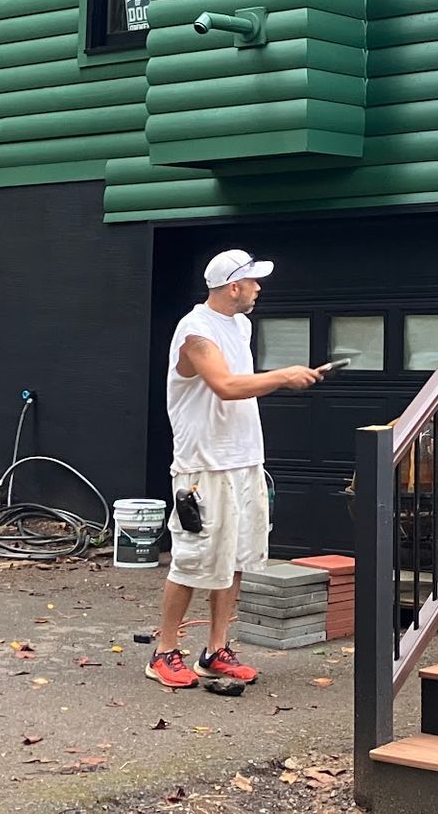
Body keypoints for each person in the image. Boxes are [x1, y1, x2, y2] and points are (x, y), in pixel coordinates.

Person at [148, 248, 321, 690]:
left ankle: (215, 651)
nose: (259, 288)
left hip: (245, 460)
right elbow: (224, 386)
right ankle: (164, 653)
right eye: (254, 281)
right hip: (203, 465)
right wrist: (283, 377)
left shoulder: (240, 325)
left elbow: (238, 382)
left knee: (237, 557)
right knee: (192, 558)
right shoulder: (195, 330)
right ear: (233, 287)